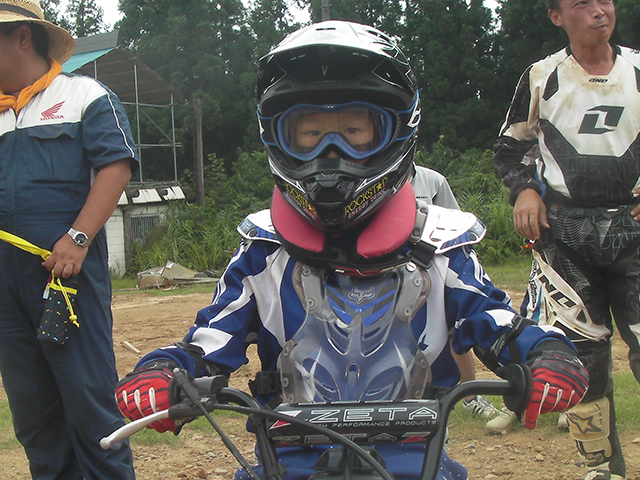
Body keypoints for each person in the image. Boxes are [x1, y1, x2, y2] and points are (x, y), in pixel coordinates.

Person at [116, 21, 588, 480]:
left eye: (354, 130)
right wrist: (165, 370)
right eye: (311, 133)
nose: (331, 152)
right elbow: (212, 339)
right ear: (278, 137)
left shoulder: (440, 246)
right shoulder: (264, 251)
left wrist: (547, 353)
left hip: (414, 463)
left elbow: (496, 321)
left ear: (397, 130)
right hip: (289, 463)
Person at [493, 0, 640, 478]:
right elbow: (510, 148)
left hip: (635, 229)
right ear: (557, 17)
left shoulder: (638, 69)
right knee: (582, 357)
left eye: (605, 1)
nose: (599, 12)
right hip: (566, 235)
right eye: (582, 3)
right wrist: (525, 190)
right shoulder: (542, 76)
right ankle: (602, 467)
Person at [0, 1, 137, 478]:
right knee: (34, 416)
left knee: (90, 407)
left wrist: (78, 238)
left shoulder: (83, 95)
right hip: (4, 291)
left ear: (22, 37)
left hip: (64, 281)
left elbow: (116, 165)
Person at [411, 165, 500, 421]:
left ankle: (470, 397)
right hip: (386, 274)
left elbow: (455, 230)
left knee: (453, 331)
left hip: (429, 270)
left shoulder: (432, 180)